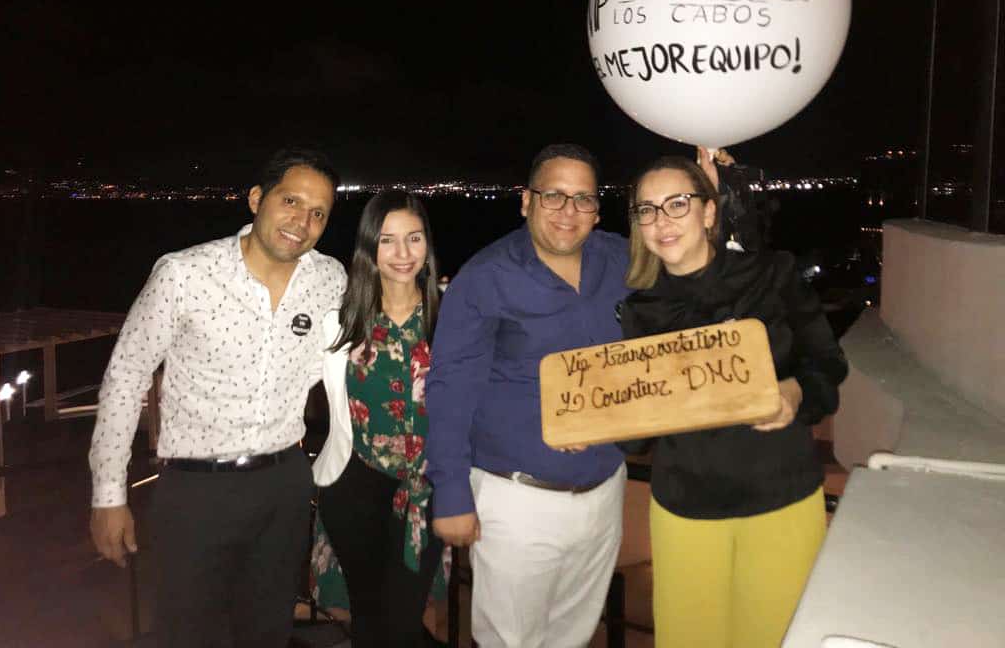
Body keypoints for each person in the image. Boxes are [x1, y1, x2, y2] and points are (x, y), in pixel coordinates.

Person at [88, 145, 346, 648]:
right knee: (186, 633)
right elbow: (126, 376)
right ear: (256, 199)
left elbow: (348, 354)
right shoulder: (184, 274)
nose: (302, 222)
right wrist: (109, 496)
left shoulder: (329, 279)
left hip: (283, 487)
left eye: (318, 213)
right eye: (291, 201)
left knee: (267, 631)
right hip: (195, 491)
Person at [618, 155, 848, 648]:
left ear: (708, 212)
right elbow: (636, 431)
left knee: (777, 637)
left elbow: (828, 365)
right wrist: (590, 427)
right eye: (648, 209)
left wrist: (796, 392)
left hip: (781, 498)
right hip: (686, 509)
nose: (662, 220)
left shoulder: (773, 276)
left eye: (677, 204)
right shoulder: (640, 312)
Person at [424, 143, 632, 648]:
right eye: (553, 195)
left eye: (583, 198)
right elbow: (451, 389)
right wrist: (451, 494)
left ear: (597, 209)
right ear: (526, 201)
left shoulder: (622, 259)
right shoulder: (485, 278)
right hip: (518, 501)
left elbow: (693, 276)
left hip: (606, 489)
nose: (568, 211)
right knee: (510, 640)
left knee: (574, 635)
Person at [311, 191, 447, 647]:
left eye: (414, 238)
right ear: (369, 247)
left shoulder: (452, 317)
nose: (403, 253)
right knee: (368, 617)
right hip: (355, 485)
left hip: (426, 488)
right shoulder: (340, 321)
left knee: (404, 620)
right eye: (387, 240)